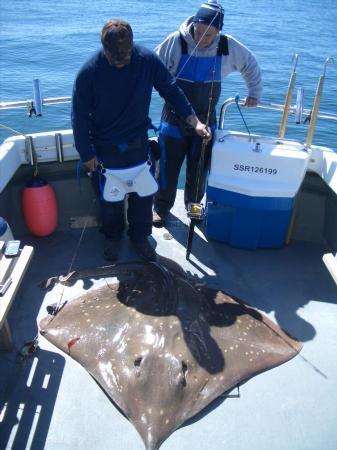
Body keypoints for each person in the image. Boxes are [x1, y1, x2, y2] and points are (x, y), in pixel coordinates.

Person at [72, 19, 210, 262]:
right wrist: (87, 154)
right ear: (104, 49)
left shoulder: (147, 60)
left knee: (143, 199)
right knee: (110, 201)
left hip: (138, 146)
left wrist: (195, 122)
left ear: (133, 45)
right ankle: (113, 237)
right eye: (115, 57)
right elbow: (79, 116)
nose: (120, 61)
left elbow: (172, 91)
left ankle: (140, 237)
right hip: (105, 152)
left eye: (124, 56)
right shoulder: (88, 72)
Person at [152, 0, 262, 227]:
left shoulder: (227, 46)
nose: (203, 39)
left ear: (219, 31)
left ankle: (193, 205)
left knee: (199, 170)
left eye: (210, 35)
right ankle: (161, 208)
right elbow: (151, 68)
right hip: (173, 120)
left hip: (205, 121)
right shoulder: (176, 41)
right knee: (166, 168)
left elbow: (250, 64)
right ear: (193, 24)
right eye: (199, 31)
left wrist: (254, 92)